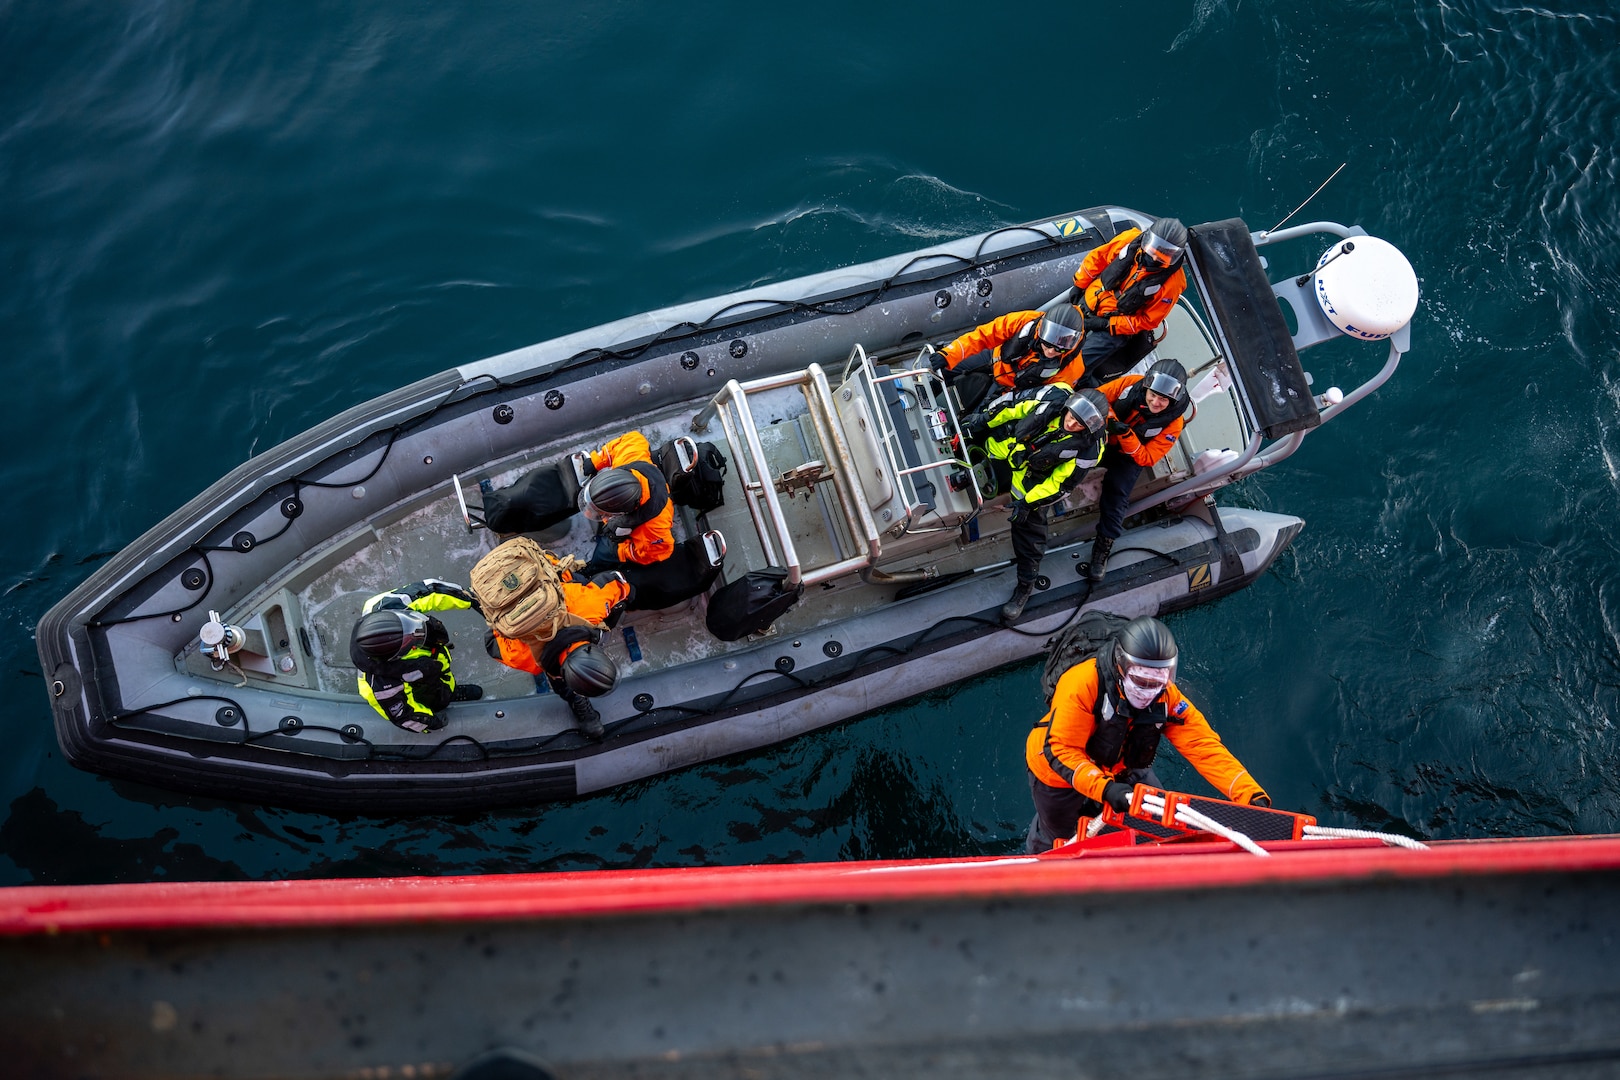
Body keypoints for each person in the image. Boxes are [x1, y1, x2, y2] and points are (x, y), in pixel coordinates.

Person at [1025, 615, 1269, 852]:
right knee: (1060, 836)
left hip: (1121, 764)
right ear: (1121, 667)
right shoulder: (1081, 683)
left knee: (1161, 820)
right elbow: (1061, 750)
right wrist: (1105, 789)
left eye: (1160, 681)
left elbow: (1202, 745)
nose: (1150, 691)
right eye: (1143, 681)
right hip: (1057, 773)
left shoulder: (1165, 695)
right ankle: (1034, 855)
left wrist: (1249, 793)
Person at [962, 385, 1110, 622]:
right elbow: (1010, 407)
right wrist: (980, 422)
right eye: (1071, 416)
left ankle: (1025, 585)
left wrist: (1026, 503)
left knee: (1030, 532)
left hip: (1030, 481)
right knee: (968, 436)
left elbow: (1059, 485)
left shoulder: (1088, 451)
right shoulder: (1053, 397)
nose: (1071, 424)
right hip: (1000, 448)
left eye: (1078, 424)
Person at [484, 553, 630, 741]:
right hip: (519, 573)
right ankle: (576, 700)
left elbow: (491, 643)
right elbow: (619, 580)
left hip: (533, 564)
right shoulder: (525, 656)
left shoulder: (590, 607)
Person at [1086, 358, 1192, 582]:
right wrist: (1111, 420)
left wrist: (1125, 435)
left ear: (1174, 399)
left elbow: (1149, 457)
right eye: (1152, 394)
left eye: (1163, 399)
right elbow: (1097, 397)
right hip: (1105, 435)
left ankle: (1103, 546)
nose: (1155, 401)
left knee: (1117, 495)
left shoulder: (1174, 424)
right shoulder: (1130, 384)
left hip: (1130, 456)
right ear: (1146, 387)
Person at [1066, 217, 1190, 386]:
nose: (1153, 258)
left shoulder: (1173, 283)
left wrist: (1105, 324)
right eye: (1152, 250)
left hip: (1114, 328)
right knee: (1056, 335)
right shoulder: (1129, 239)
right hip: (1091, 299)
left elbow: (1148, 321)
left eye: (1162, 256)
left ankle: (1082, 387)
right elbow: (1098, 257)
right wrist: (1079, 285)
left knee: (1080, 365)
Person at [350, 579, 483, 734]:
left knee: (442, 669)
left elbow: (431, 590)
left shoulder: (384, 604)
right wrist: (430, 722)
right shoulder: (378, 686)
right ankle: (445, 698)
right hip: (417, 681)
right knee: (433, 692)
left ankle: (450, 689)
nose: (418, 632)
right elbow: (404, 716)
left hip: (430, 658)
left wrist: (470, 599)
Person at [930, 304, 1087, 411]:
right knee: (948, 367)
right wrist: (948, 354)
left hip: (1010, 390)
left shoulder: (1072, 369)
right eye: (1048, 343)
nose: (1052, 351)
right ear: (1042, 328)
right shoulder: (1025, 320)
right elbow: (984, 334)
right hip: (993, 359)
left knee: (976, 414)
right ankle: (927, 392)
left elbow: (1043, 396)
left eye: (1060, 347)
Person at [576, 431, 675, 572]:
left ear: (622, 513)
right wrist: (596, 461)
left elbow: (659, 552)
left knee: (604, 554)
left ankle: (593, 570)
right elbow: (632, 437)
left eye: (603, 513)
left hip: (632, 537)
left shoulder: (654, 528)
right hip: (624, 523)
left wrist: (623, 550)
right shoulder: (630, 456)